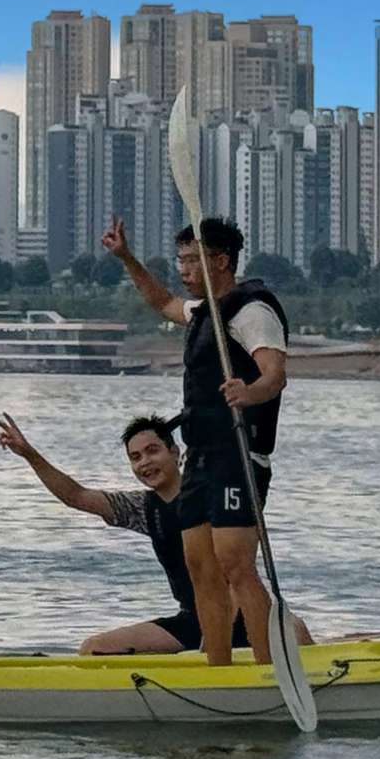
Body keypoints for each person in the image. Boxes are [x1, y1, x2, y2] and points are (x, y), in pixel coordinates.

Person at [103, 215, 288, 667]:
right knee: (201, 568)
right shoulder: (202, 311)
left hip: (239, 456)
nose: (183, 270)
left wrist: (249, 392)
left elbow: (275, 375)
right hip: (202, 458)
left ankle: (267, 669)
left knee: (235, 566)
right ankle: (219, 669)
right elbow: (162, 301)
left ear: (221, 261)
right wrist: (127, 258)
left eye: (192, 261)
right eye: (180, 260)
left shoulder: (252, 312)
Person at [0, 413, 313, 654]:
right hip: (192, 620)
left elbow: (233, 577)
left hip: (245, 614)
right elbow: (77, 496)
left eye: (152, 451)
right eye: (136, 457)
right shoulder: (142, 508)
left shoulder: (214, 499)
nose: (145, 462)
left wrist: (213, 645)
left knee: (296, 631)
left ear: (174, 452)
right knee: (93, 649)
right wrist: (29, 454)